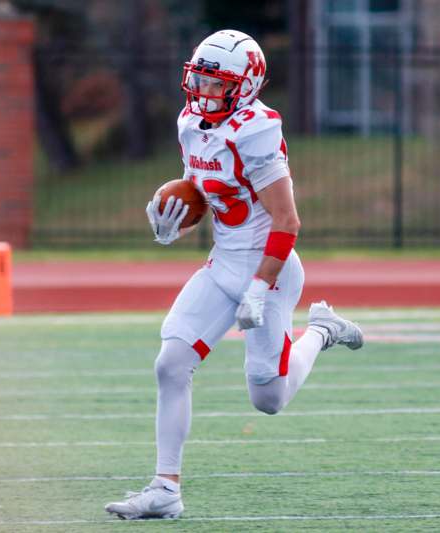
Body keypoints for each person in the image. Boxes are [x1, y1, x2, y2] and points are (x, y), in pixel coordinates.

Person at [104, 29, 364, 520]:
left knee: (268, 398)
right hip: (223, 263)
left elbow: (287, 222)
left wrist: (260, 291)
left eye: (215, 83)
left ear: (245, 85)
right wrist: (171, 220)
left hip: (270, 271)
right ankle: (165, 488)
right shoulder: (191, 121)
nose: (203, 92)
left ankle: (323, 330)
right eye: (198, 80)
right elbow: (202, 192)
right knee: (171, 364)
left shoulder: (257, 129)